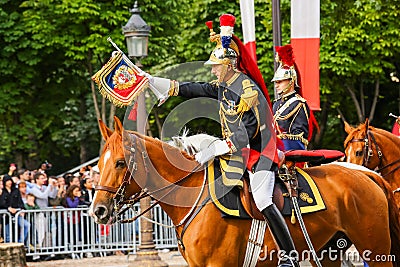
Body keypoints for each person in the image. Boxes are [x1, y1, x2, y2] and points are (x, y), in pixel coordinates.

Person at [147, 14, 299, 267]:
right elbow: (194, 87)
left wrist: (219, 146)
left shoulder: (248, 90)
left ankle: (289, 255)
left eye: (216, 66)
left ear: (229, 66)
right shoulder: (223, 87)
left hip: (261, 152)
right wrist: (159, 83)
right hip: (238, 153)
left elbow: (251, 129)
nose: (213, 70)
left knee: (262, 199)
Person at [271, 44, 317, 151]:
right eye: (276, 82)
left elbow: (300, 136)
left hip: (289, 153)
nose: (276, 85)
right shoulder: (276, 104)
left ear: (291, 81)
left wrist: (278, 140)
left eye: (280, 82)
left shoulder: (299, 104)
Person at [0, 175, 30, 244]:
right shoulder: (3, 192)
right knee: (8, 234)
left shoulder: (16, 190)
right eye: (7, 181)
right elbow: (1, 203)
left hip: (17, 213)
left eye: (10, 180)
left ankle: (20, 243)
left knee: (26, 225)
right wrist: (8, 208)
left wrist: (22, 209)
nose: (9, 182)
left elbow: (20, 201)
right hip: (6, 216)